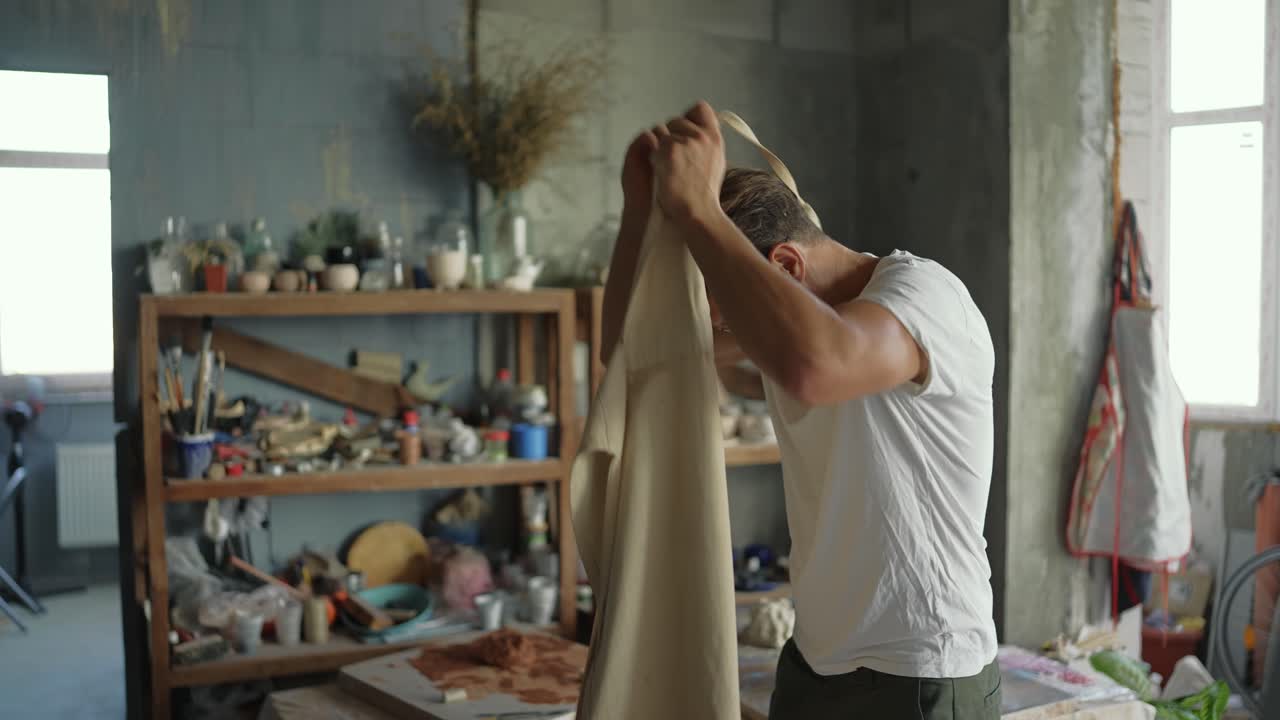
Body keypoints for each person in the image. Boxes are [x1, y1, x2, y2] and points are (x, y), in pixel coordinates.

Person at [600, 101, 1001, 719]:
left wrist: (701, 211)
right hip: (816, 664)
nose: (727, 331)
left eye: (726, 315)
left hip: (919, 673)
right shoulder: (789, 330)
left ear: (786, 265)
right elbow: (633, 356)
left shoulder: (926, 297)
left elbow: (819, 367)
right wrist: (638, 209)